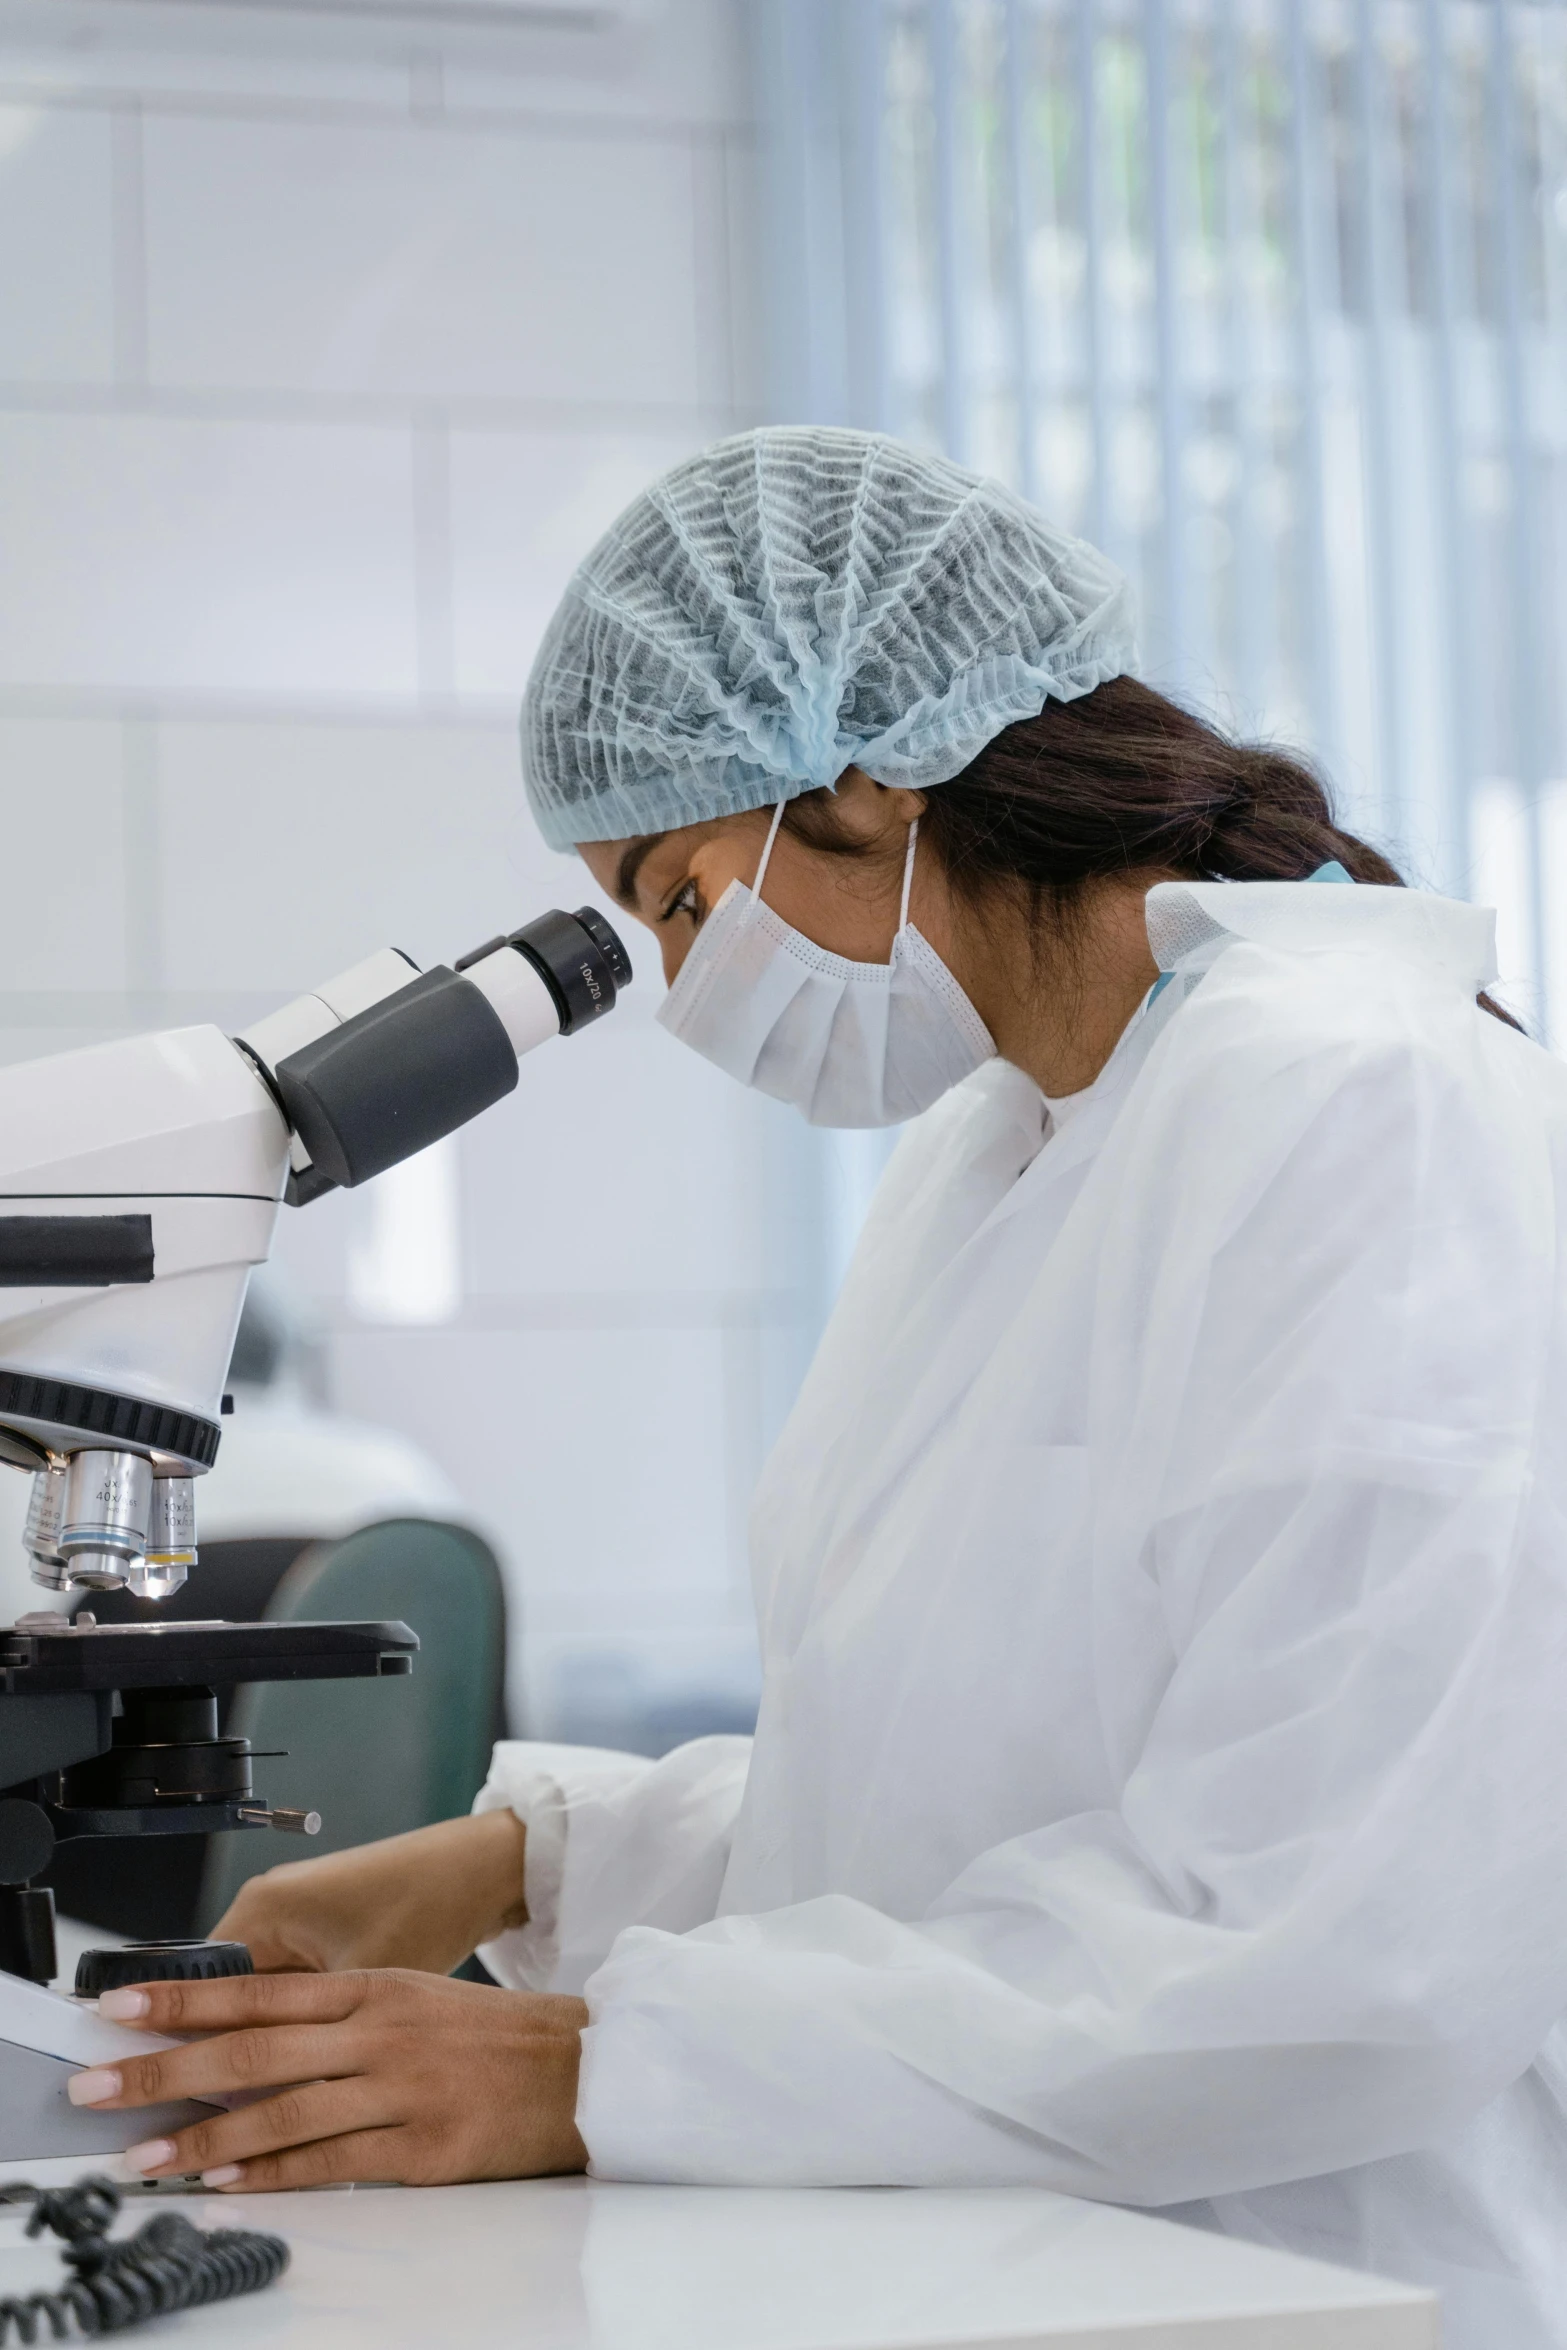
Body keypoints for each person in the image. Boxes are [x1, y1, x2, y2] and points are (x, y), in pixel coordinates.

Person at [69, 430, 1567, 2350]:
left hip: (1320, 2281)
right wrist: (520, 1859)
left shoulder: (1367, 1111)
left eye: (683, 897)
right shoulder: (1009, 1150)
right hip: (1038, 2268)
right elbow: (953, 1786)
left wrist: (581, 2066)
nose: (689, 992)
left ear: (869, 769)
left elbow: (1336, 1943)